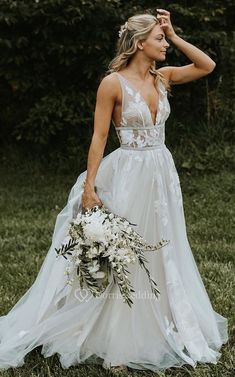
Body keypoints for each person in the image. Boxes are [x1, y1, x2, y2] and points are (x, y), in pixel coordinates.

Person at [0, 9, 228, 374]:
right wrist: (89, 188)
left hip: (160, 172)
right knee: (125, 251)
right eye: (159, 39)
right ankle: (118, 336)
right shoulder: (112, 84)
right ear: (140, 44)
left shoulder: (163, 77)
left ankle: (162, 321)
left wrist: (172, 31)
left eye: (165, 39)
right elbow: (99, 137)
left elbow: (207, 65)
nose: (165, 45)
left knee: (162, 244)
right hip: (127, 173)